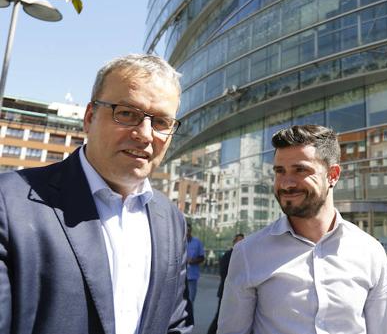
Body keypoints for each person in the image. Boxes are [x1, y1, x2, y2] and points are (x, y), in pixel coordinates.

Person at [0, 54, 193, 334]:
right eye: (127, 113)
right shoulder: (9, 202)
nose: (145, 134)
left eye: (161, 122)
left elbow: (176, 323)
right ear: (89, 118)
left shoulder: (171, 220)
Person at [218, 125, 387, 334]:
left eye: (300, 170)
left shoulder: (370, 252)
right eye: (280, 171)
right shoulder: (248, 253)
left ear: (333, 175)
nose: (286, 184)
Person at [207, 233, 244, 334]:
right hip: (225, 291)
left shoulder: (244, 256)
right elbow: (223, 273)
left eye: (242, 241)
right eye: (239, 240)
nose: (241, 243)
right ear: (234, 242)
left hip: (238, 293)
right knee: (219, 316)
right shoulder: (228, 255)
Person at [187, 223, 206, 304]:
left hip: (192, 276)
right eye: (185, 229)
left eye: (188, 230)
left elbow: (202, 257)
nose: (187, 232)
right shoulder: (178, 241)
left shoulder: (197, 242)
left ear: (191, 230)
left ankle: (189, 316)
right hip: (179, 277)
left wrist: (193, 261)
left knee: (191, 300)